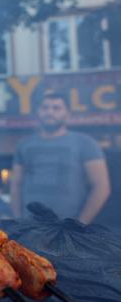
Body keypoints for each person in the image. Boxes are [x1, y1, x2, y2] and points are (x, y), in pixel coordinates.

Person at [10, 92, 110, 224]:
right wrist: (18, 220)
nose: (49, 112)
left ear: (68, 114)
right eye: (44, 108)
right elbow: (16, 185)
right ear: (38, 112)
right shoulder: (24, 144)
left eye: (56, 108)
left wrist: (81, 223)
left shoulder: (85, 143)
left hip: (69, 227)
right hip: (30, 227)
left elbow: (101, 186)